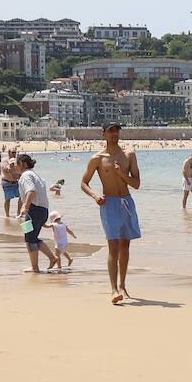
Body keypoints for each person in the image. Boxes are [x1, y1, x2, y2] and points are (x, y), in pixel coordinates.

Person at [81, 122, 141, 304]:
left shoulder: (129, 155)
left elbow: (137, 184)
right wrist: (95, 195)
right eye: (111, 131)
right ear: (104, 134)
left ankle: (123, 285)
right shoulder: (97, 159)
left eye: (117, 130)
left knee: (125, 245)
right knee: (112, 246)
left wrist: (122, 175)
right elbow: (84, 183)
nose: (115, 134)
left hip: (127, 202)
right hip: (109, 204)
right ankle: (113, 289)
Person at [16, 153, 58, 273]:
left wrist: (26, 207)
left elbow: (31, 192)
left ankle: (36, 267)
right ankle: (51, 258)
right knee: (32, 237)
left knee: (29, 238)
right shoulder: (35, 175)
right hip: (43, 210)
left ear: (23, 164)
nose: (15, 167)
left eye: (16, 165)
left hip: (34, 210)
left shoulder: (26, 175)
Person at [0, 151, 21, 217]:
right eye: (12, 152)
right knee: (7, 199)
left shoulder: (17, 160)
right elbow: (4, 168)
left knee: (22, 196)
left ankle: (18, 213)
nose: (14, 154)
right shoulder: (4, 160)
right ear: (9, 153)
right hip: (7, 182)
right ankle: (7, 215)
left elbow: (20, 170)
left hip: (16, 182)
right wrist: (10, 166)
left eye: (15, 152)